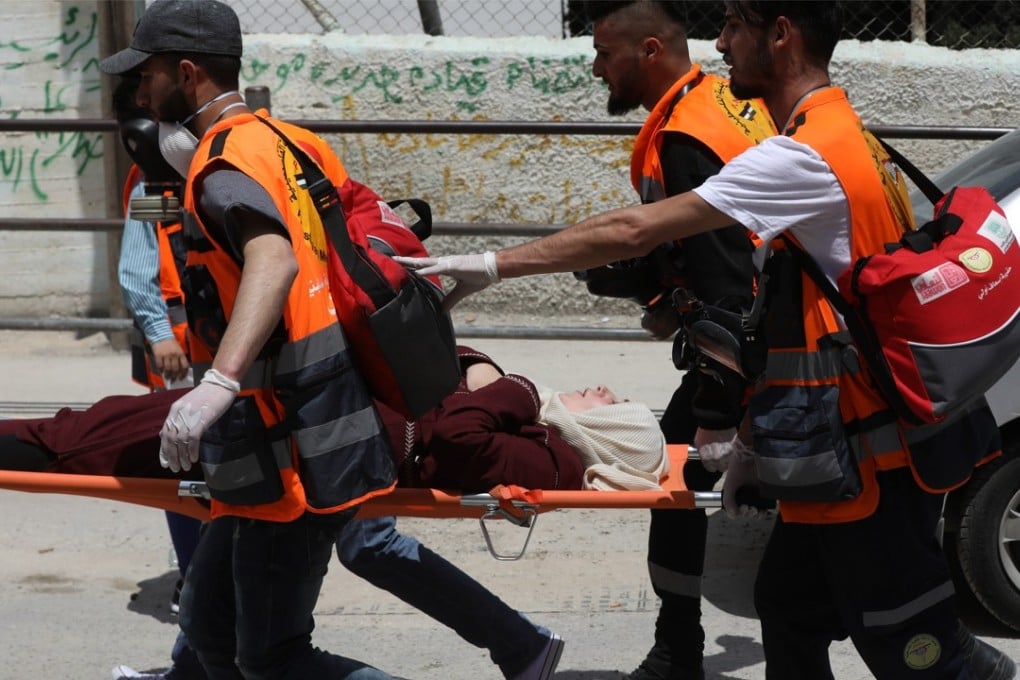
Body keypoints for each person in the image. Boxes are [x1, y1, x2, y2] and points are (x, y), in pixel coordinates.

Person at [396, 2, 1019, 678]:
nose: (718, 43)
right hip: (840, 450)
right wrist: (753, 438)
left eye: (732, 27)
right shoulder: (844, 130)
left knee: (921, 655)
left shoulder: (803, 156)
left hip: (871, 464)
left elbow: (640, 231)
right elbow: (792, 310)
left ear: (780, 34)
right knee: (788, 613)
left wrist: (489, 264)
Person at [0, 345, 668, 680]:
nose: (602, 387)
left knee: (269, 653)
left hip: (319, 463)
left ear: (609, 435)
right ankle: (521, 646)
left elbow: (458, 436)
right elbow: (446, 370)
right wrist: (484, 371)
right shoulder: (533, 423)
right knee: (212, 628)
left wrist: (508, 383)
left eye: (614, 403)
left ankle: (520, 645)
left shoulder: (551, 458)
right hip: (310, 440)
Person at [101, 1, 398, 677]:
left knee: (270, 654)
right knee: (209, 630)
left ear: (184, 73)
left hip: (282, 435)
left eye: (146, 77)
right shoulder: (285, 144)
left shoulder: (224, 163)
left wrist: (218, 381)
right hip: (290, 423)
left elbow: (275, 260)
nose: (140, 95)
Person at [575, 2, 774, 677]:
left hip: (758, 349)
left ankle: (679, 650)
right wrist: (648, 282)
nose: (597, 66)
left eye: (605, 53)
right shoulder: (713, 104)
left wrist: (725, 407)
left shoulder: (686, 136)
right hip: (771, 334)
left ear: (650, 50)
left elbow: (726, 279)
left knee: (685, 475)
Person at [113, 74, 202, 625]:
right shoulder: (155, 192)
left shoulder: (225, 174)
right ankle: (194, 576)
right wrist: (160, 334)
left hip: (229, 350)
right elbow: (138, 265)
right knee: (181, 467)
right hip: (178, 351)